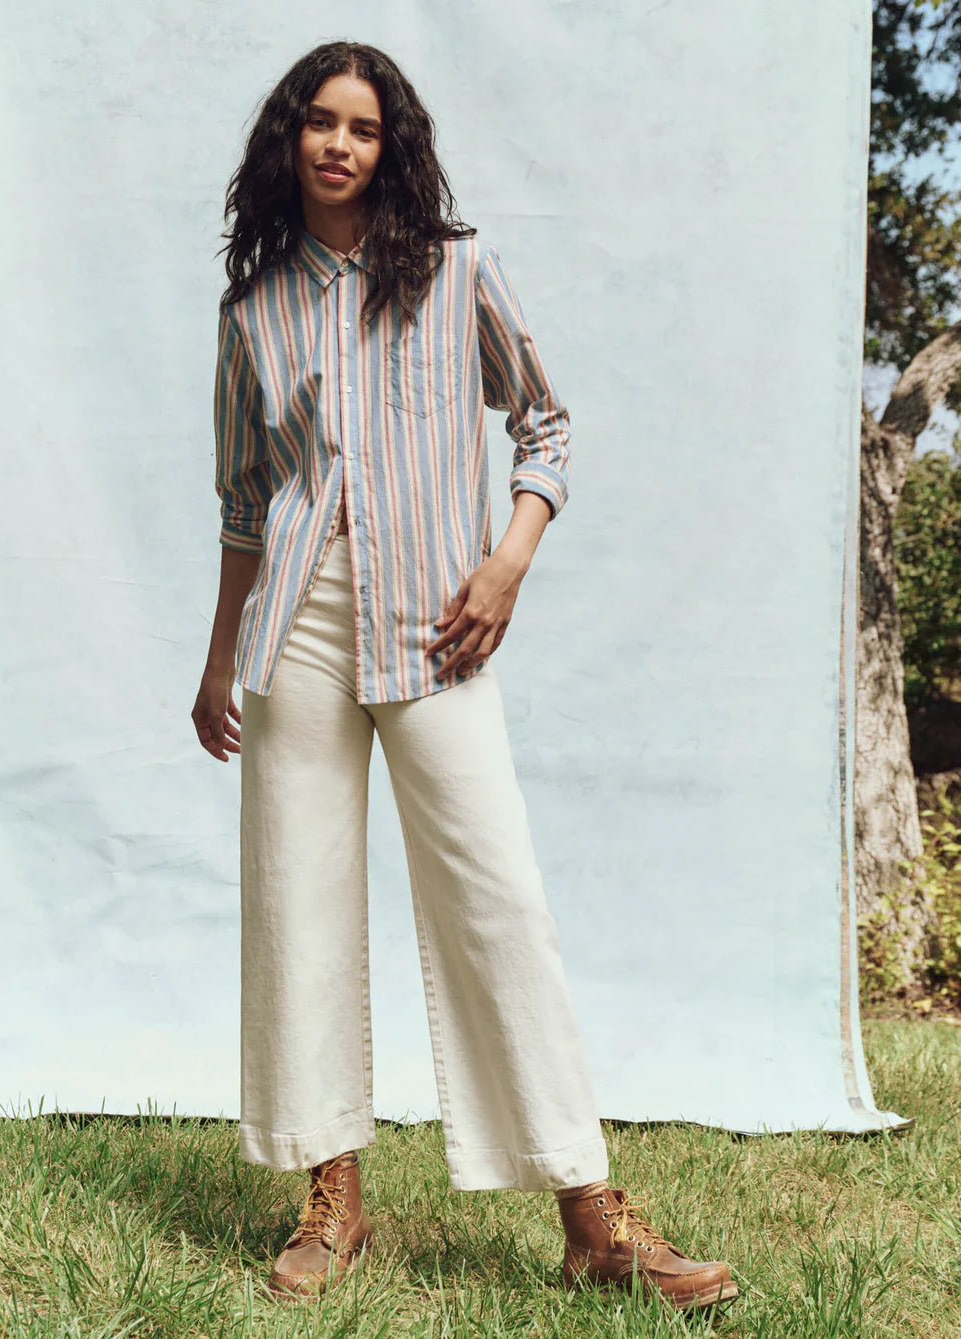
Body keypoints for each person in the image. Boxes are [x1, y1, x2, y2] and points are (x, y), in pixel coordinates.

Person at [191, 39, 739, 1315]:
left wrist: (508, 562)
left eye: (362, 128)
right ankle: (334, 1198)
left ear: (394, 146)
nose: (338, 144)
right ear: (289, 142)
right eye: (317, 124)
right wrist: (219, 659)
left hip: (438, 625)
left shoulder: (456, 269)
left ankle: (593, 1214)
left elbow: (544, 421)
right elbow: (240, 501)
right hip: (300, 633)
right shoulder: (252, 308)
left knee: (498, 903)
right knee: (299, 906)